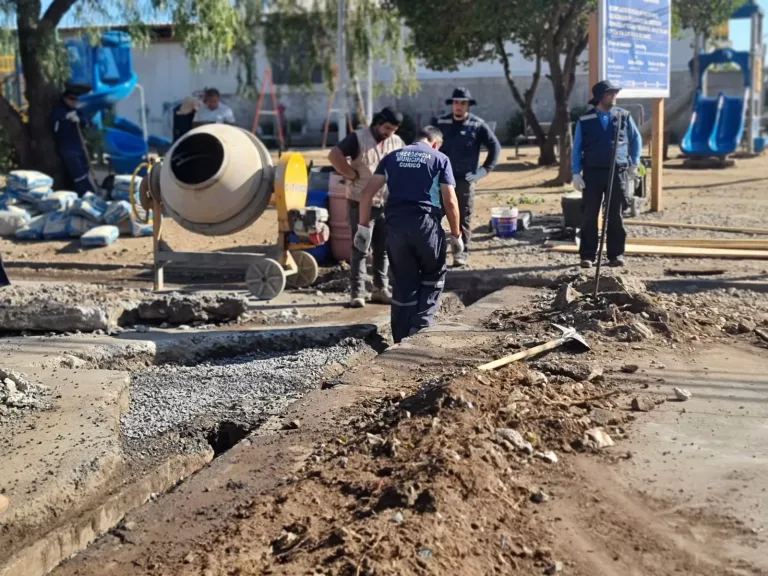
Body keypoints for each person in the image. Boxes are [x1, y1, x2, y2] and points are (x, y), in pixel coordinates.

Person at [354, 126, 463, 343]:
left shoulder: (392, 157)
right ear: (435, 142)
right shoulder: (439, 158)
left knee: (404, 281)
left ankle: (400, 337)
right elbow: (450, 201)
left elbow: (367, 193)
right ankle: (420, 329)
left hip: (395, 226)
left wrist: (363, 228)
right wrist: (456, 234)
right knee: (433, 274)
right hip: (425, 225)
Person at [327, 107, 405, 308]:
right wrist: (350, 175)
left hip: (386, 203)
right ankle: (357, 293)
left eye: (393, 129)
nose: (389, 132)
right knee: (360, 247)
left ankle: (380, 290)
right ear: (378, 123)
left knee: (383, 249)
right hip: (360, 202)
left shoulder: (396, 142)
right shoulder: (358, 138)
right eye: (387, 127)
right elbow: (335, 154)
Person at [571, 80, 642, 269]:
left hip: (618, 172)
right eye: (610, 93)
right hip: (592, 173)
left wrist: (634, 162)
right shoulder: (585, 120)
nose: (614, 96)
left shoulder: (624, 116)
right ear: (601, 97)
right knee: (589, 215)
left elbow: (636, 139)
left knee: (616, 215)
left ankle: (615, 254)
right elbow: (576, 148)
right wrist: (576, 172)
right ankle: (587, 255)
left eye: (615, 93)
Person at [437, 87, 500, 267]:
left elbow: (494, 147)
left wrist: (484, 170)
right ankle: (435, 252)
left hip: (464, 180)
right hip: (440, 180)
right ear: (452, 104)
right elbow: (426, 143)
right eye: (456, 102)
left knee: (463, 217)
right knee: (434, 216)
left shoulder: (477, 125)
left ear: (468, 105)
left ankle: (460, 254)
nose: (459, 106)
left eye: (463, 103)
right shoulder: (440, 123)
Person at [50, 89, 96, 196]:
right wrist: (65, 119)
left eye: (75, 100)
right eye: (71, 99)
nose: (74, 102)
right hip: (68, 147)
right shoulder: (58, 111)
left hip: (79, 145)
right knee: (77, 172)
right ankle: (85, 192)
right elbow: (55, 128)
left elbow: (88, 122)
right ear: (65, 99)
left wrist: (80, 120)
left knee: (85, 169)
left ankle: (89, 190)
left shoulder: (77, 111)